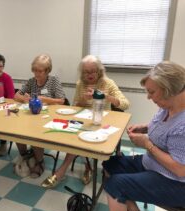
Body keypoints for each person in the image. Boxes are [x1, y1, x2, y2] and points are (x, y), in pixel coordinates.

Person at [103, 61, 185, 211]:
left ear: (169, 90)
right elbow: (166, 127)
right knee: (110, 165)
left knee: (115, 186)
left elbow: (180, 169)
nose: (148, 97)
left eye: (151, 92)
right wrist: (145, 128)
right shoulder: (168, 105)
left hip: (176, 182)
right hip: (153, 164)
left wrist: (148, 144)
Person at [41, 55, 129, 188]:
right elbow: (75, 107)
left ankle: (66, 171)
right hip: (83, 120)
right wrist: (83, 99)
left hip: (101, 120)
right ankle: (82, 167)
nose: (90, 75)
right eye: (86, 72)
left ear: (99, 71)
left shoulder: (108, 83)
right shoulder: (80, 84)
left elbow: (125, 104)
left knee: (85, 139)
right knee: (73, 138)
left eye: (93, 71)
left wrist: (105, 96)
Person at [14, 54, 66, 178]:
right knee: (16, 131)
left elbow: (62, 100)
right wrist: (25, 99)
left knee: (35, 135)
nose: (37, 73)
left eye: (40, 71)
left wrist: (45, 99)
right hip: (32, 114)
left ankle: (39, 161)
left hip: (48, 117)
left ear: (47, 70)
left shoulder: (54, 81)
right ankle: (25, 156)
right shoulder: (31, 81)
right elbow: (16, 96)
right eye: (35, 70)